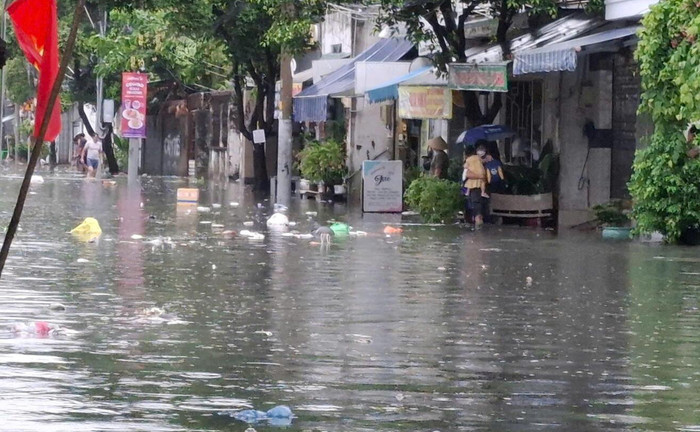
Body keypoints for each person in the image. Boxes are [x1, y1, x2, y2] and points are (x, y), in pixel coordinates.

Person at [462, 145, 487, 228]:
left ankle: (477, 218)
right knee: (477, 201)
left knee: (474, 202)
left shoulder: (469, 160)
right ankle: (478, 218)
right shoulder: (479, 159)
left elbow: (467, 173)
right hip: (480, 184)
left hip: (473, 184)